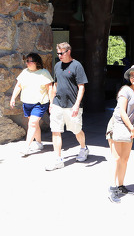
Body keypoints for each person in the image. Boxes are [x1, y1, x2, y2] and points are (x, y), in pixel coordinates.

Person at [105, 64, 134, 203]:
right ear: (129, 77)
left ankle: (121, 185)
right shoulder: (125, 90)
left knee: (124, 159)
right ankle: (112, 187)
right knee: (116, 158)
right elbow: (122, 111)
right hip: (118, 125)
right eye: (132, 75)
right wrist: (132, 128)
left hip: (130, 128)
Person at [46, 42, 89, 171]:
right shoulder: (57, 66)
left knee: (76, 130)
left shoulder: (77, 66)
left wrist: (76, 105)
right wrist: (51, 103)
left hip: (72, 105)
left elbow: (81, 87)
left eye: (62, 53)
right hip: (58, 103)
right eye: (58, 53)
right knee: (55, 130)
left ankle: (83, 148)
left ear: (68, 52)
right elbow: (55, 85)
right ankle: (58, 159)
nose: (59, 55)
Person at [9, 53, 53, 156]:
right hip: (27, 103)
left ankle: (26, 147)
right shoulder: (25, 72)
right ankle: (38, 143)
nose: (27, 63)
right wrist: (13, 98)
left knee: (32, 123)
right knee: (34, 123)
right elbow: (18, 86)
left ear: (36, 63)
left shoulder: (44, 73)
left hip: (39, 103)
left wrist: (51, 103)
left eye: (29, 61)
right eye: (27, 61)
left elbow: (50, 89)